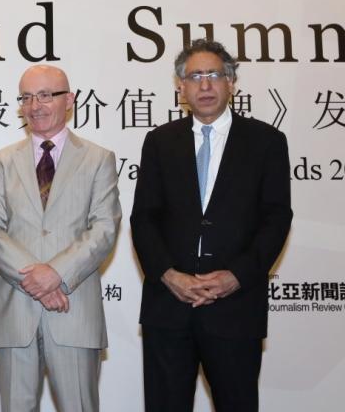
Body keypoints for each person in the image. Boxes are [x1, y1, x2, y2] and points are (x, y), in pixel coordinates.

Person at [130, 38, 293, 412]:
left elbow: (276, 218)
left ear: (231, 82)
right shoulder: (160, 142)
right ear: (180, 86)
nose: (205, 85)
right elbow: (144, 218)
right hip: (169, 308)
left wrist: (236, 276)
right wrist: (169, 275)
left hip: (235, 308)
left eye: (214, 75)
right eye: (194, 76)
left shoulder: (266, 141)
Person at [0, 64, 121, 412]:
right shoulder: (1, 162)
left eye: (45, 95)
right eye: (26, 98)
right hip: (15, 311)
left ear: (69, 100)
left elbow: (104, 227)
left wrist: (56, 273)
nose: (35, 106)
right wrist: (38, 279)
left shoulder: (98, 159)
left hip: (74, 309)